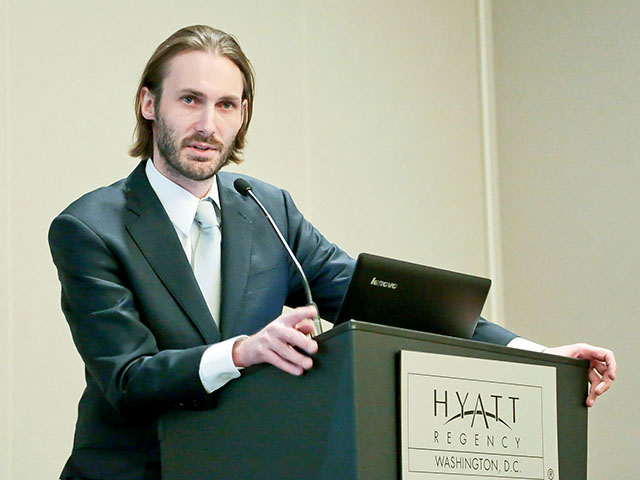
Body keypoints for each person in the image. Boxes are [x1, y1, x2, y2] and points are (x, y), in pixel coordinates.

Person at [49, 25, 616, 480]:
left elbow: (381, 302)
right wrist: (244, 351)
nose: (207, 125)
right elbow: (127, 380)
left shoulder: (267, 209)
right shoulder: (90, 228)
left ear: (243, 113)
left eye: (227, 105)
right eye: (190, 100)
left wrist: (536, 355)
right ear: (149, 103)